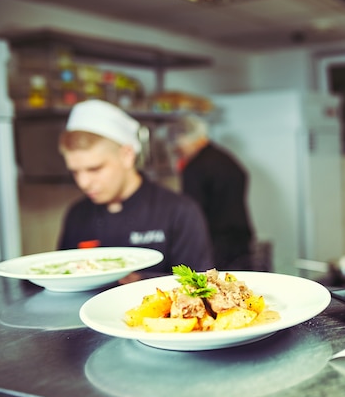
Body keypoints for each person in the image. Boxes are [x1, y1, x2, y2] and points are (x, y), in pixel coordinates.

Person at [57, 99, 213, 278]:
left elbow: (199, 285)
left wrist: (141, 282)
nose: (83, 183)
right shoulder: (77, 215)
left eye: (95, 169)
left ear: (127, 155)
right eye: (75, 172)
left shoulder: (180, 211)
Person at [175, 116, 254, 270]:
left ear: (189, 139)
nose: (179, 149)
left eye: (180, 143)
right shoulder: (224, 157)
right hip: (240, 235)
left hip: (215, 242)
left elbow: (192, 210)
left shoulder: (195, 168)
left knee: (217, 288)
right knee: (240, 286)